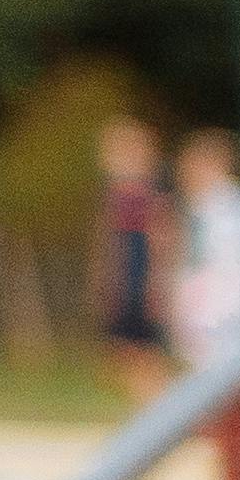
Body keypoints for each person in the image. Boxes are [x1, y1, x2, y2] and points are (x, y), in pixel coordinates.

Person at [166, 129, 240, 376]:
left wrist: (213, 307)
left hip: (223, 308)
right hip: (207, 305)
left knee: (220, 372)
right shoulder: (203, 205)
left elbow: (232, 264)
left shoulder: (230, 207)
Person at [89, 115, 173, 399]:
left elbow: (160, 241)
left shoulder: (147, 196)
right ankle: (150, 401)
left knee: (141, 351)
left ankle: (158, 401)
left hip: (137, 280)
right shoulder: (115, 195)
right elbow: (108, 246)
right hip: (124, 280)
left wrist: (156, 283)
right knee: (123, 353)